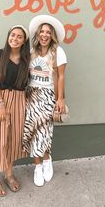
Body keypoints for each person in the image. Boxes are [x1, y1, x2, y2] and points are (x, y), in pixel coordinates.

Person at [23, 15, 67, 187]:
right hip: (31, 95)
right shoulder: (31, 52)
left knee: (44, 131)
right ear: (38, 34)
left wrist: (60, 98)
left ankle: (46, 160)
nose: (44, 35)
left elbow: (61, 76)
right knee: (33, 131)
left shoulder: (58, 52)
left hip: (48, 95)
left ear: (52, 35)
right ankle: (38, 166)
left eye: (48, 32)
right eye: (42, 31)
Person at [0, 25, 30, 197]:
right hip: (3, 99)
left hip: (20, 99)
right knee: (0, 139)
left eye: (19, 36)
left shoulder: (25, 61)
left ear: (24, 41)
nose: (15, 38)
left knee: (14, 139)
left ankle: (8, 174)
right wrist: (0, 104)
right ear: (8, 36)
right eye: (13, 35)